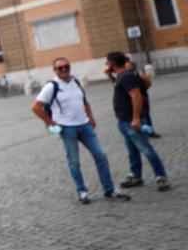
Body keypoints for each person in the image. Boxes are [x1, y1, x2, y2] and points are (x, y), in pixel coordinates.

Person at [31, 57, 130, 204]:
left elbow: (84, 101)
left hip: (85, 126)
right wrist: (52, 123)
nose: (64, 70)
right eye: (60, 68)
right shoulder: (51, 86)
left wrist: (91, 117)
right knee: (74, 161)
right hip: (66, 128)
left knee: (101, 155)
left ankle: (109, 189)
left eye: (67, 67)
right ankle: (81, 191)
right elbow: (35, 107)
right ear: (55, 71)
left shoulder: (75, 82)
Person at [105, 52, 170, 192]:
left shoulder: (127, 76)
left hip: (131, 121)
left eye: (107, 62)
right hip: (123, 121)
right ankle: (136, 175)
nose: (106, 65)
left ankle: (161, 176)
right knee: (132, 150)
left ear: (111, 63)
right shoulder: (122, 76)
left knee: (146, 149)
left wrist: (136, 118)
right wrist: (108, 74)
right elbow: (117, 85)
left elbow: (136, 96)